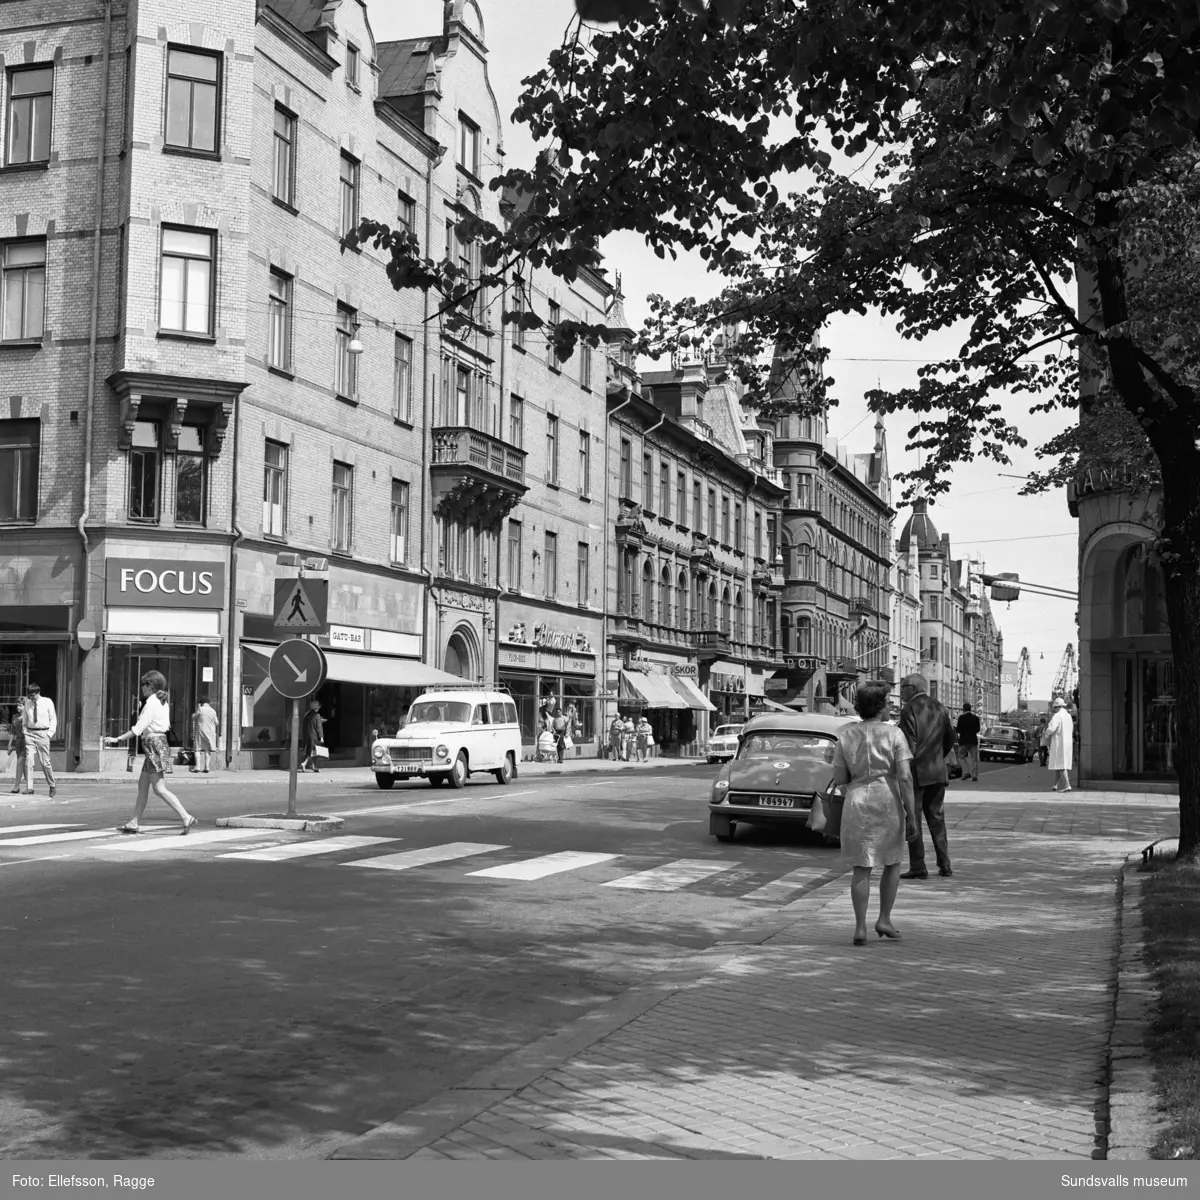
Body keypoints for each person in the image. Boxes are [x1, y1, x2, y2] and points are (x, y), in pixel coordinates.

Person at [831, 679, 919, 946]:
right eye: (889, 703)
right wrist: (912, 814)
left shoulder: (845, 735)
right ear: (880, 707)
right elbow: (904, 777)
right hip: (887, 800)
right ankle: (884, 918)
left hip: (857, 800)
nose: (892, 707)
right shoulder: (894, 735)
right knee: (892, 862)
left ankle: (859, 928)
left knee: (862, 867)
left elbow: (839, 778)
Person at [105, 671, 197, 834]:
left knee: (159, 788)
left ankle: (186, 817)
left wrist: (117, 739)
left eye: (143, 684)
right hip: (158, 745)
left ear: (150, 686)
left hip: (154, 746)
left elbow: (138, 729)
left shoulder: (152, 703)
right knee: (142, 786)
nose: (141, 687)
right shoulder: (161, 701)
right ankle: (134, 822)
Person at [898, 673, 956, 879]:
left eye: (903, 686)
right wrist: (938, 757)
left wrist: (902, 766)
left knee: (913, 818)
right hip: (937, 771)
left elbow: (908, 744)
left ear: (913, 688)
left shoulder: (909, 709)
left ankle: (918, 866)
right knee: (937, 818)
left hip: (916, 773)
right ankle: (945, 864)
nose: (901, 690)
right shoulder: (940, 707)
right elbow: (950, 738)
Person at [19, 683, 57, 798]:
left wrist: (49, 734)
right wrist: (25, 732)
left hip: (43, 734)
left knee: (45, 762)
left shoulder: (47, 702)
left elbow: (53, 718)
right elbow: (24, 720)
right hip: (30, 734)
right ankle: (29, 787)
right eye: (29, 696)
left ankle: (52, 784)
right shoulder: (27, 703)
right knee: (29, 761)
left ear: (38, 692)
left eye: (33, 695)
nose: (31, 698)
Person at [1042, 695, 1074, 792]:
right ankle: (1054, 785)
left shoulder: (1057, 716)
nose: (1054, 710)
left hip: (1059, 743)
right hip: (1067, 743)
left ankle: (1067, 785)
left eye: (1055, 708)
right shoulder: (1068, 716)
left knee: (1061, 765)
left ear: (1057, 707)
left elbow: (1052, 728)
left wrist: (1046, 733)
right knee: (1059, 764)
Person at [7, 695, 30, 795]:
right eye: (17, 705)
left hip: (27, 742)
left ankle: (16, 786)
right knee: (24, 766)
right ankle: (29, 786)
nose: (18, 707)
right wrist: (9, 745)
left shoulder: (29, 717)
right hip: (18, 743)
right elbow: (12, 732)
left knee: (21, 762)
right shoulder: (15, 717)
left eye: (20, 705)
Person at [955, 702, 981, 782]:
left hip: (963, 740)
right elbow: (978, 729)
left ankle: (966, 772)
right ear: (970, 709)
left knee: (961, 756)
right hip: (973, 740)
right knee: (974, 758)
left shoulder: (961, 718)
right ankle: (974, 775)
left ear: (963, 709)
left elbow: (958, 730)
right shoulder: (975, 718)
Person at [191, 697, 219, 773]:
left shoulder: (200, 709)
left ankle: (197, 767)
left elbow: (193, 717)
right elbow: (217, 722)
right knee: (207, 749)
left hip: (200, 731)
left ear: (200, 703)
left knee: (197, 749)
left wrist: (198, 708)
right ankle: (207, 767)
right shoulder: (213, 711)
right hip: (210, 732)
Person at [301, 698, 325, 772]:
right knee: (313, 751)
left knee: (313, 751)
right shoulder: (317, 715)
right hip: (314, 735)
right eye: (319, 706)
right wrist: (321, 737)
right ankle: (304, 763)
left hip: (307, 735)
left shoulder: (307, 714)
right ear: (317, 707)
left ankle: (314, 766)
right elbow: (319, 727)